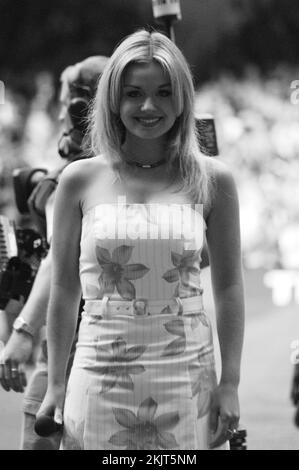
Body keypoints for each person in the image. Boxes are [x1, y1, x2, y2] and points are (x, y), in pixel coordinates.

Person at [37, 29, 245, 450]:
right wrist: (55, 384)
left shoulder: (213, 179)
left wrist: (231, 383)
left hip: (188, 378)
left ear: (183, 98)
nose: (149, 106)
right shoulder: (78, 180)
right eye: (134, 93)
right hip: (97, 375)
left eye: (164, 93)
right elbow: (62, 289)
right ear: (114, 99)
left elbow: (228, 287)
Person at [0, 55, 108, 449]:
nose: (62, 114)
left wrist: (23, 330)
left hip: (68, 349)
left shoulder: (73, 179)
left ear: (82, 110)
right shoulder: (131, 173)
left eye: (66, 104)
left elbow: (55, 264)